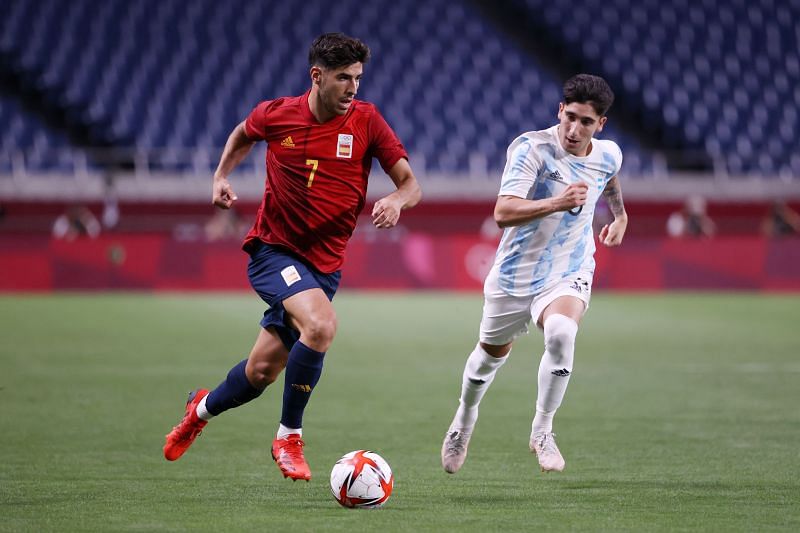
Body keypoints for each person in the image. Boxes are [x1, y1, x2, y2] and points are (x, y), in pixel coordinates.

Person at [163, 33, 421, 481]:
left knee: (259, 373)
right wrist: (222, 175)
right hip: (273, 251)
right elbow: (244, 133)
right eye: (343, 78)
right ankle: (289, 436)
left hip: (324, 267)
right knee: (321, 325)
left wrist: (398, 200)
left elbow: (411, 184)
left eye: (358, 78)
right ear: (316, 76)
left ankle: (198, 410)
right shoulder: (278, 114)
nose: (353, 88)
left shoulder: (367, 121)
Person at [441, 74, 627, 474]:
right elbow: (503, 212)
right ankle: (464, 420)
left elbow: (608, 177)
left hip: (569, 267)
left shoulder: (609, 153)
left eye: (586, 123)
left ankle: (543, 429)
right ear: (560, 110)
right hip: (515, 273)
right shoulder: (531, 149)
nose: (575, 130)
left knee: (562, 333)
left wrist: (621, 214)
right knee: (488, 357)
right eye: (570, 117)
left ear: (601, 125)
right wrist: (558, 202)